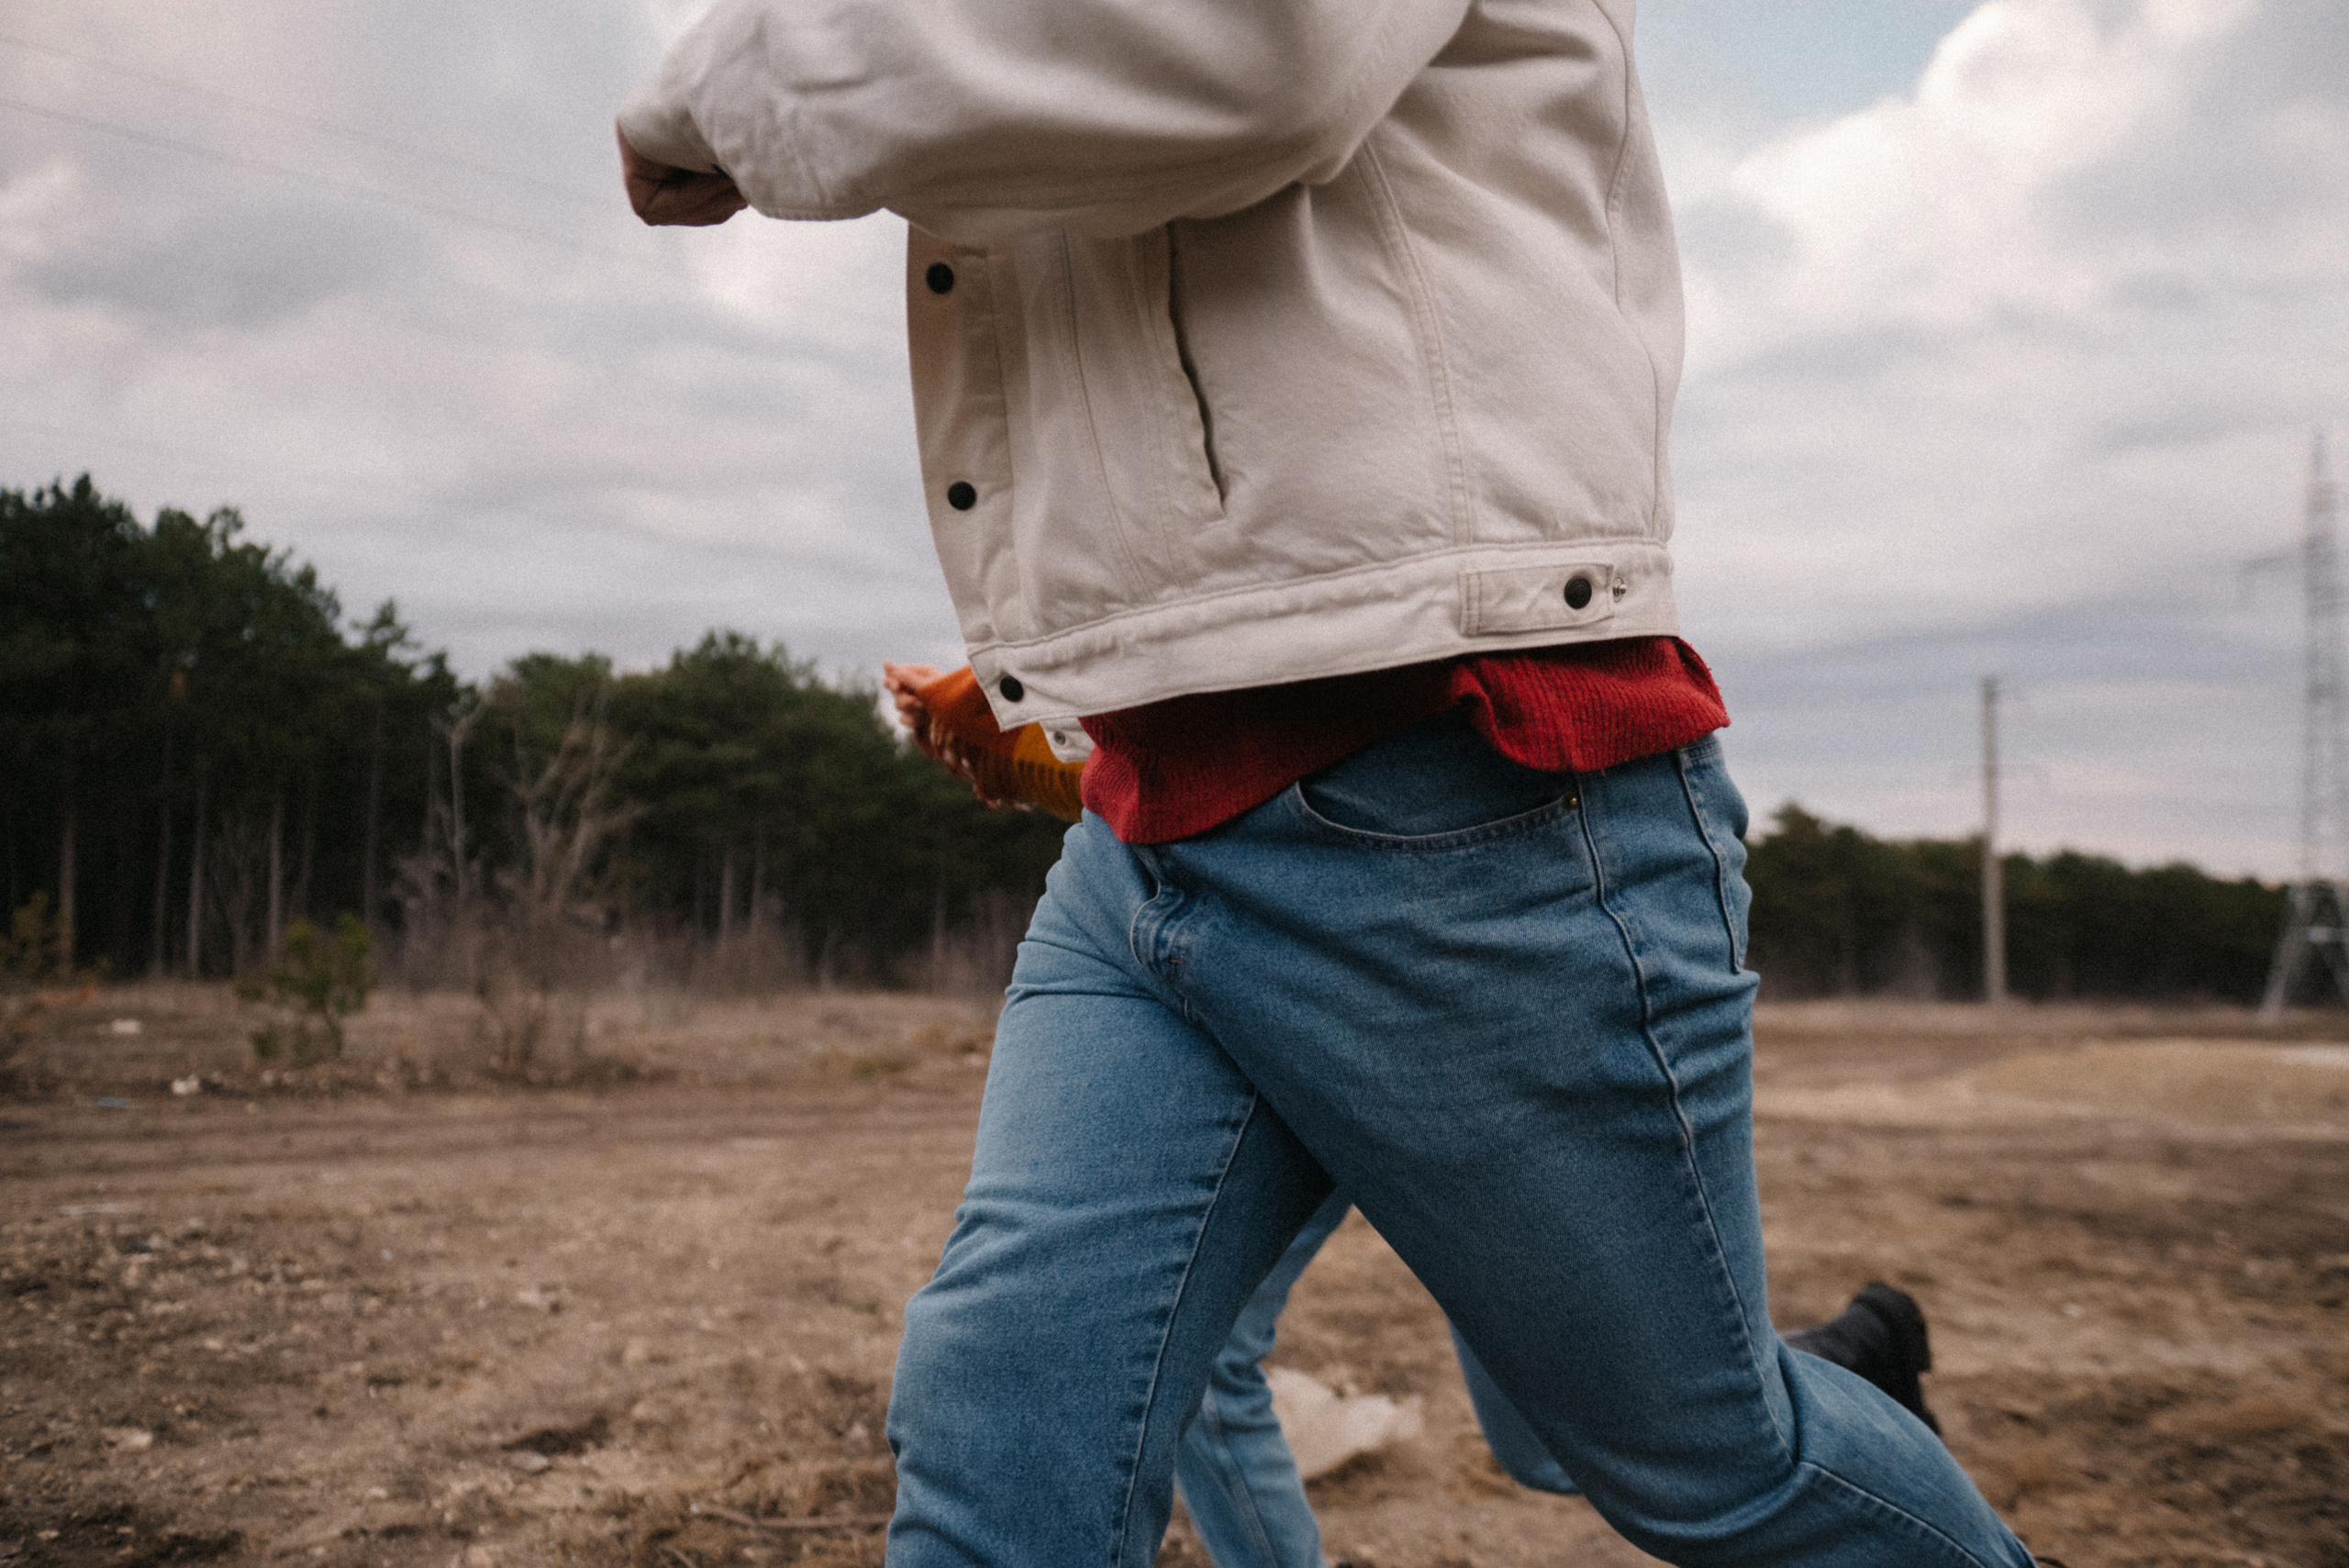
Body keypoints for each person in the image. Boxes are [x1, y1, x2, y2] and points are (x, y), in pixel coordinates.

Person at [617, 1, 2043, 1562]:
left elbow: (1255, 52)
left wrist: (728, 85)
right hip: (1154, 823)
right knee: (1001, 1423)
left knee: (1701, 1462)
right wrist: (1060, 701)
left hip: (1467, 799)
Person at [880, 664, 1951, 1567]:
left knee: (1645, 1446)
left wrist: (1029, 684)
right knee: (1028, 1396)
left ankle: (1825, 1369)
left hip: (1455, 851)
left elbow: (1324, 564)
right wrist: (1044, 715)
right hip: (1158, 861)